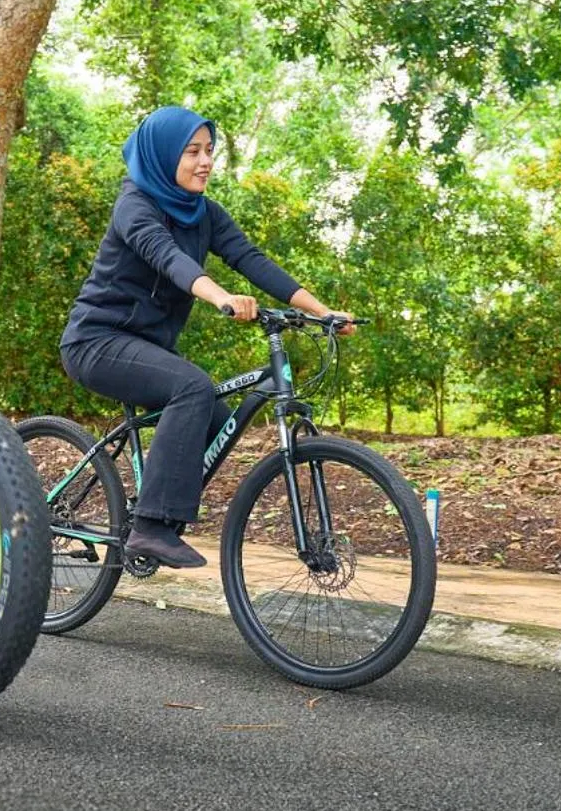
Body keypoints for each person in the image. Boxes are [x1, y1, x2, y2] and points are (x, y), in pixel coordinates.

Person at [59, 106, 352, 569]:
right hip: (96, 342)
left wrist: (322, 311)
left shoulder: (204, 213)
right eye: (192, 151)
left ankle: (154, 513)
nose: (205, 161)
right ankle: (151, 527)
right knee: (191, 387)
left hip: (147, 349)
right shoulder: (134, 204)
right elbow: (169, 258)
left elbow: (250, 260)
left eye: (209, 151)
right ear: (162, 155)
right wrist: (220, 297)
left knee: (217, 415)